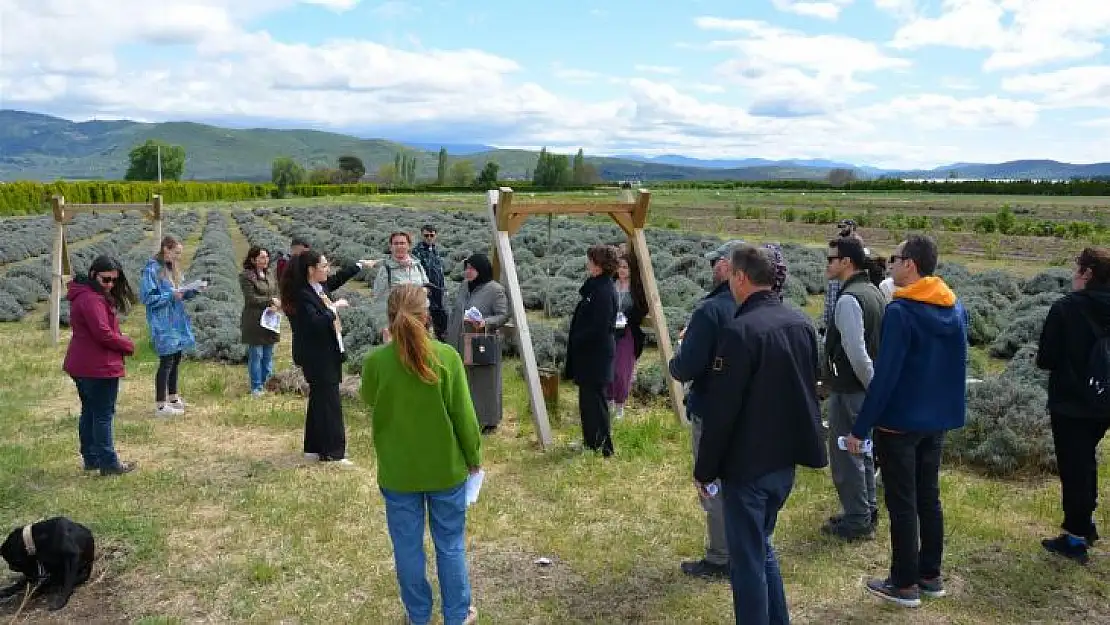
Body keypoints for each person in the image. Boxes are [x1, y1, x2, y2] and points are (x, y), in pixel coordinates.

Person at [694, 244, 826, 625]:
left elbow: (722, 412)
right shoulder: (800, 323)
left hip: (748, 467)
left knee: (747, 562)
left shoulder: (740, 332)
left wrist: (705, 469)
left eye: (730, 275)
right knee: (762, 547)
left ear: (740, 277)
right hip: (783, 464)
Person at [845, 234, 968, 608]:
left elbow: (886, 377)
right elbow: (957, 367)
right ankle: (931, 575)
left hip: (899, 424)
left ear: (910, 265)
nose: (890, 264)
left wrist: (860, 427)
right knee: (929, 498)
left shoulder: (900, 312)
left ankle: (903, 584)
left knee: (902, 503)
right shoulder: (955, 306)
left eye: (895, 258)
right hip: (937, 421)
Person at [360, 285, 481, 625]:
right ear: (427, 316)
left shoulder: (376, 362)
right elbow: (465, 417)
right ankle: (457, 615)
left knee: (407, 547)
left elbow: (369, 398)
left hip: (398, 471)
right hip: (445, 469)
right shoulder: (447, 357)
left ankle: (418, 616)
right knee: (450, 544)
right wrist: (474, 457)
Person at [668, 239, 744, 581]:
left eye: (716, 261)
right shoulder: (762, 305)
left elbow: (686, 367)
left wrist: (680, 350)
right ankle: (746, 547)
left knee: (711, 481)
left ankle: (719, 557)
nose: (711, 266)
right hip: (750, 412)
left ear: (729, 267)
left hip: (711, 410)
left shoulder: (710, 310)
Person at [1036, 247, 1110, 565]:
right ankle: (1087, 524)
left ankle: (1075, 538)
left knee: (1074, 468)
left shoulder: (1066, 308)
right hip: (1104, 399)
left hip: (1071, 403)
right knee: (1087, 462)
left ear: (1088, 272)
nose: (1073, 271)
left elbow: (1047, 358)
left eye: (1077, 266)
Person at [281, 250, 374, 464]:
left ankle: (313, 448)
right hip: (317, 356)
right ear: (310, 270)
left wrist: (360, 264)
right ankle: (334, 453)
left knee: (319, 401)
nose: (327, 269)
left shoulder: (318, 288)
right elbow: (314, 323)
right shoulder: (303, 295)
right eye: (323, 266)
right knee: (330, 404)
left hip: (326, 353)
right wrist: (334, 308)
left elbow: (337, 279)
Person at [822, 237, 886, 541]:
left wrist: (873, 388)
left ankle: (857, 519)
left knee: (846, 454)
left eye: (831, 258)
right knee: (864, 450)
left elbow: (857, 353)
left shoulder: (849, 300)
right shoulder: (873, 291)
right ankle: (868, 508)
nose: (828, 264)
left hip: (851, 389)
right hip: (864, 390)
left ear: (847, 261)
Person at [63, 255, 138, 476]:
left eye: (114, 280)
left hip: (82, 364)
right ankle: (108, 463)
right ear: (93, 274)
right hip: (98, 367)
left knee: (90, 412)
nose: (110, 285)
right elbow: (103, 334)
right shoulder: (92, 300)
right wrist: (127, 344)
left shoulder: (84, 295)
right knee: (103, 415)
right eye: (106, 280)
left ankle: (92, 458)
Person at [444, 253, 510, 434]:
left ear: (481, 270)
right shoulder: (464, 286)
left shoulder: (495, 290)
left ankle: (489, 420)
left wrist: (485, 322)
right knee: (463, 380)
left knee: (485, 381)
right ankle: (466, 416)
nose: (468, 271)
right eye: (467, 268)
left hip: (481, 341)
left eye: (472, 268)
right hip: (459, 340)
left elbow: (503, 315)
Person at [565, 244, 620, 457]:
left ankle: (604, 447)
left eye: (590, 260)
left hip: (596, 356)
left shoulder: (604, 291)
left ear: (599, 265)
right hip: (589, 355)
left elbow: (599, 327)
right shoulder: (596, 287)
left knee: (596, 402)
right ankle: (591, 442)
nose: (587, 263)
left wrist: (578, 338)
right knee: (588, 402)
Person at [141, 236, 202, 417]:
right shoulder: (151, 269)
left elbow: (178, 291)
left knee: (176, 358)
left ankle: (173, 397)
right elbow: (147, 298)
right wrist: (170, 296)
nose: (178, 258)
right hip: (162, 322)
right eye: (176, 253)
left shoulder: (171, 268)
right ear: (166, 249)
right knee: (166, 361)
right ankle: (160, 405)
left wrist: (192, 291)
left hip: (176, 320)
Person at [606, 253, 648, 421]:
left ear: (631, 269)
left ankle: (620, 406)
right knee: (608, 366)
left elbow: (642, 308)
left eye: (625, 267)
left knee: (622, 369)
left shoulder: (637, 289)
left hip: (627, 332)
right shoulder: (611, 284)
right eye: (620, 266)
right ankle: (608, 402)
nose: (621, 270)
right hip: (610, 332)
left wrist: (628, 317)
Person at [239, 246, 280, 397]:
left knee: (268, 353)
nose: (265, 260)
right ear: (253, 259)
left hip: (270, 319)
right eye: (262, 257)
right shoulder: (246, 276)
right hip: (254, 320)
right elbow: (251, 298)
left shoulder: (269, 273)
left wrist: (277, 303)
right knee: (256, 354)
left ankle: (267, 382)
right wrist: (271, 301)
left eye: (266, 257)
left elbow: (276, 291)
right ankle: (256, 387)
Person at [412, 224, 448, 340]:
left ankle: (442, 344)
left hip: (438, 291)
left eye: (431, 235)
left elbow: (440, 271)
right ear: (422, 236)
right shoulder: (416, 252)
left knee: (441, 321)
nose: (429, 238)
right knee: (424, 321)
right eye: (426, 235)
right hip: (426, 292)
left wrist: (444, 288)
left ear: (435, 236)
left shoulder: (436, 250)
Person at [373, 231, 429, 298]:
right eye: (396, 244)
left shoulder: (417, 266)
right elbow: (378, 296)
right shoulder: (386, 269)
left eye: (402, 243)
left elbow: (426, 287)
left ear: (409, 246)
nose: (399, 246)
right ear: (391, 247)